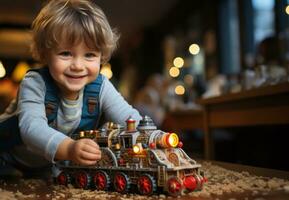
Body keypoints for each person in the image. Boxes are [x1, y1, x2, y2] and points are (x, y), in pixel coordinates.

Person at [0, 0, 141, 176]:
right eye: (66, 53)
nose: (78, 65)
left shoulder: (101, 86)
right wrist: (69, 148)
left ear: (101, 57)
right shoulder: (35, 82)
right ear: (45, 54)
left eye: (89, 55)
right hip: (7, 157)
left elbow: (130, 119)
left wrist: (155, 137)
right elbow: (31, 128)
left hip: (46, 167)